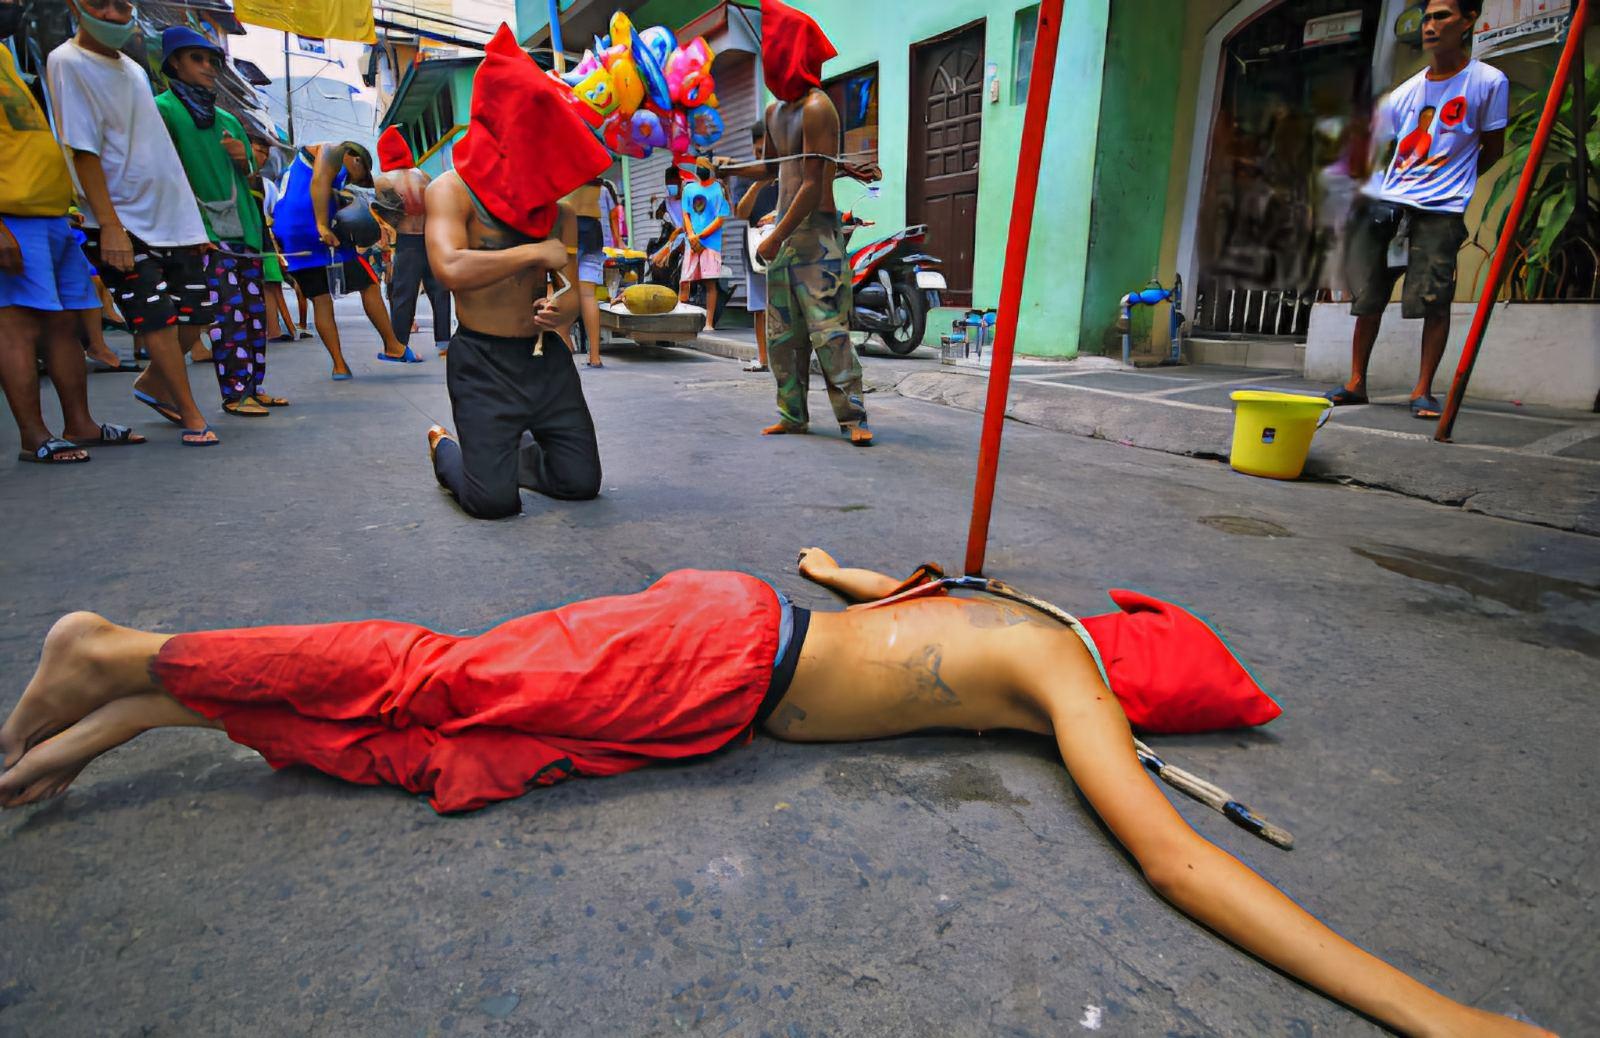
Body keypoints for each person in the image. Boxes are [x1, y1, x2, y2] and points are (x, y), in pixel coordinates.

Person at [0, 546, 1555, 1038]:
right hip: (712, 663)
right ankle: (120, 647)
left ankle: (136, 710)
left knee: (455, 753)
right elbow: (1176, 864)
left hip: (722, 655)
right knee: (437, 681)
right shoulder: (1059, 670)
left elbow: (871, 587)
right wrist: (1435, 1014)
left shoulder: (1012, 609)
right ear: (1141, 687)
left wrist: (831, 567)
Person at [422, 25, 605, 520]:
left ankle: (502, 455)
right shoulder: (450, 190)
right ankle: (446, 448)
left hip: (544, 361)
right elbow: (449, 267)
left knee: (580, 483)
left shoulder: (557, 209)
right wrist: (531, 254)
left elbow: (571, 292)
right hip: (482, 362)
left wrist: (560, 310)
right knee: (493, 504)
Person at [47, 0, 221, 445]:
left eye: (122, 5)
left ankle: (153, 384)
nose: (113, 15)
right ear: (76, 6)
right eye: (99, 4)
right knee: (157, 318)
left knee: (196, 315)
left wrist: (192, 223)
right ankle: (191, 412)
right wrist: (109, 225)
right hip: (120, 219)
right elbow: (82, 149)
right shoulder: (67, 61)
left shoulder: (134, 69)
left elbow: (155, 149)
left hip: (172, 215)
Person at [1325, 0, 1507, 420]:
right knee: (1369, 294)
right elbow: (1387, 150)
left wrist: (1454, 185)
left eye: (1442, 16)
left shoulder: (1488, 82)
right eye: (1427, 17)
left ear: (1468, 20)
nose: (1430, 25)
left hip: (1442, 210)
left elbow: (1493, 148)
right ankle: (1356, 382)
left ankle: (1423, 390)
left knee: (1434, 297)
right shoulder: (1406, 92)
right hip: (1391, 204)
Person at [727, 0, 876, 445]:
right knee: (782, 335)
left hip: (816, 237)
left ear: (789, 52)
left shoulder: (817, 107)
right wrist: (729, 168)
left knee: (829, 332)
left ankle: (853, 418)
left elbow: (812, 185)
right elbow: (772, 168)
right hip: (784, 234)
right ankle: (792, 414)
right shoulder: (776, 112)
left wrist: (775, 236)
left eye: (773, 48)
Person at [0, 15, 145, 462]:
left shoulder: (4, 55)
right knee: (17, 327)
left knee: (66, 323)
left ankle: (79, 424)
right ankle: (34, 436)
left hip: (50, 215)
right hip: (12, 217)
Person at [154, 26, 285, 417]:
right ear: (175, 63)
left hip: (245, 229)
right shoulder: (163, 110)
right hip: (203, 231)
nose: (209, 67)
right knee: (228, 315)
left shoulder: (227, 117)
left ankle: (253, 386)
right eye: (197, 59)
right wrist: (188, 229)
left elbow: (249, 176)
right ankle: (235, 393)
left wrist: (242, 159)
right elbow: (164, 173)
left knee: (254, 313)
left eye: (212, 60)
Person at [273, 138, 413, 379]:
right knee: (369, 283)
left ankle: (339, 366)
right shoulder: (331, 149)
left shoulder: (300, 166)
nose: (351, 180)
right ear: (356, 159)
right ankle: (394, 347)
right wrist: (322, 225)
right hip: (314, 229)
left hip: (291, 233)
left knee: (321, 300)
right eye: (357, 176)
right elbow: (319, 182)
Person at [372, 126, 451, 360]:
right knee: (439, 291)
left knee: (403, 295)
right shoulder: (424, 176)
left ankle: (398, 345)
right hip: (431, 238)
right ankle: (444, 343)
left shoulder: (383, 181)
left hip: (406, 242)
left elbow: (388, 217)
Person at [731, 120, 779, 373]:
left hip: (784, 241)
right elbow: (740, 212)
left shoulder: (787, 172)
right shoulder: (744, 175)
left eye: (767, 151)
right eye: (759, 151)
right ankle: (763, 359)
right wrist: (759, 182)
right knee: (760, 305)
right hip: (754, 245)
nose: (762, 156)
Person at [249, 138, 304, 343]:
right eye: (259, 150)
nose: (263, 157)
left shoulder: (266, 185)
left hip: (264, 241)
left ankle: (274, 330)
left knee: (272, 284)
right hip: (244, 242)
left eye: (266, 152)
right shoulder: (233, 179)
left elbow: (274, 214)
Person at [678, 157, 729, 332]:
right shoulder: (689, 189)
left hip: (711, 244)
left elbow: (720, 219)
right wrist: (691, 235)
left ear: (710, 169)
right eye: (698, 165)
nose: (700, 168)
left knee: (710, 283)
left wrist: (700, 236)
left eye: (704, 166)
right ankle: (681, 320)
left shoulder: (719, 189)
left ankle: (709, 323)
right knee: (685, 281)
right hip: (692, 243)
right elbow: (685, 214)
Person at [564, 175, 608, 367]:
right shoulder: (593, 168)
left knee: (561, 290)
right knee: (588, 295)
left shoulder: (565, 168)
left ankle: (566, 349)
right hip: (592, 228)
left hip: (566, 224)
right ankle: (595, 357)